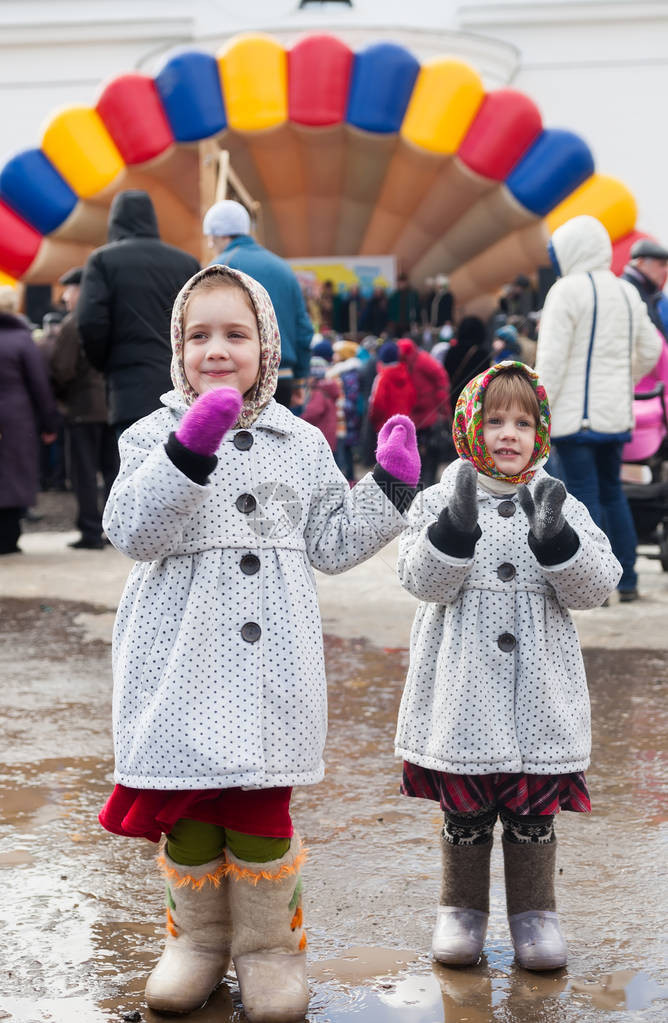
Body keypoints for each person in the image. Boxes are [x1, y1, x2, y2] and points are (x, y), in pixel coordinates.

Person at [97, 263, 420, 1021]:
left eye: (235, 334)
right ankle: (196, 944)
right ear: (176, 348)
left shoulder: (300, 440)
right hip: (179, 658)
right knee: (193, 810)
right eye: (199, 334)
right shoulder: (148, 433)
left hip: (272, 664)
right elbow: (132, 531)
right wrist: (187, 449)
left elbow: (333, 543)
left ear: (267, 347)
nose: (217, 349)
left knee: (261, 812)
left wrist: (390, 489)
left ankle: (270, 949)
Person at [395, 361, 621, 973]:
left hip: (539, 691)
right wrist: (455, 530)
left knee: (531, 811)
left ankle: (535, 917)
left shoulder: (556, 498)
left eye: (523, 421)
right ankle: (460, 913)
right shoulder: (442, 496)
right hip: (463, 688)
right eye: (495, 420)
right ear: (471, 426)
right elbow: (419, 579)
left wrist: (556, 542)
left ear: (541, 432)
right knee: (466, 809)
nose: (508, 433)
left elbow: (597, 586)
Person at [537, 215, 661, 601]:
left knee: (582, 496)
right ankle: (626, 581)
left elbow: (552, 362)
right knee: (613, 493)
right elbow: (652, 350)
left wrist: (539, 411)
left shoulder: (566, 291)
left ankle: (593, 583)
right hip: (616, 416)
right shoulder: (626, 292)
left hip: (576, 419)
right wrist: (622, 380)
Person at [77, 191, 200, 439]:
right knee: (185, 468)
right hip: (182, 385)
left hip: (128, 389)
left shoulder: (103, 261)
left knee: (133, 469)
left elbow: (91, 323)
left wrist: (105, 364)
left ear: (115, 221)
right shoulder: (187, 263)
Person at [203, 199, 313, 410]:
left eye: (211, 238)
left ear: (222, 235)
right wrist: (301, 378)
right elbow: (304, 330)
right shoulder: (284, 269)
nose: (210, 245)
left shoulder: (221, 267)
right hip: (283, 378)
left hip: (237, 379)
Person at [50, 267, 120, 549]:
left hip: (82, 409)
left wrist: (61, 399)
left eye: (69, 290)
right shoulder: (112, 319)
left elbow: (61, 369)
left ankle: (91, 532)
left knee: (84, 473)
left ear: (79, 291)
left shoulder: (72, 324)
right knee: (113, 471)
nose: (66, 297)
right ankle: (114, 532)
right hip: (111, 406)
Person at [0, 286, 58, 554]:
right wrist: (49, 424)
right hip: (16, 418)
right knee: (13, 475)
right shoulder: (22, 339)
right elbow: (39, 385)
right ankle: (9, 538)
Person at [398, 337, 451, 487]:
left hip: (429, 416)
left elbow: (441, 378)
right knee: (418, 454)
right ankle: (421, 484)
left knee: (430, 452)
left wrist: (442, 404)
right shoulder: (405, 363)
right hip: (415, 417)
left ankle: (429, 483)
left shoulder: (423, 360)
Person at [621, 237, 668, 335]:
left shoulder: (652, 291)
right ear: (641, 262)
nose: (666, 270)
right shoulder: (626, 290)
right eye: (661, 264)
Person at [368, 340, 416, 434]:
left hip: (386, 427)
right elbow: (412, 398)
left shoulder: (382, 378)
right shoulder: (406, 374)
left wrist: (376, 422)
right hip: (405, 425)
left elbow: (377, 404)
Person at [445, 316, 490, 412]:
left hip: (455, 398)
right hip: (474, 398)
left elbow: (446, 373)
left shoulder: (452, 351)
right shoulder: (482, 354)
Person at [301, 355, 339, 452]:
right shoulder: (326, 389)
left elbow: (314, 412)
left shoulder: (318, 392)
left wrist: (298, 419)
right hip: (328, 435)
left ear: (313, 377)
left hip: (321, 438)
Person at [387, 272, 420, 337]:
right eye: (400, 282)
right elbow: (391, 309)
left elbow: (417, 308)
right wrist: (392, 320)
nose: (401, 284)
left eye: (403, 282)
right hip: (397, 323)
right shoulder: (394, 295)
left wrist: (416, 321)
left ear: (406, 282)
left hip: (409, 323)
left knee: (409, 339)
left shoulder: (412, 294)